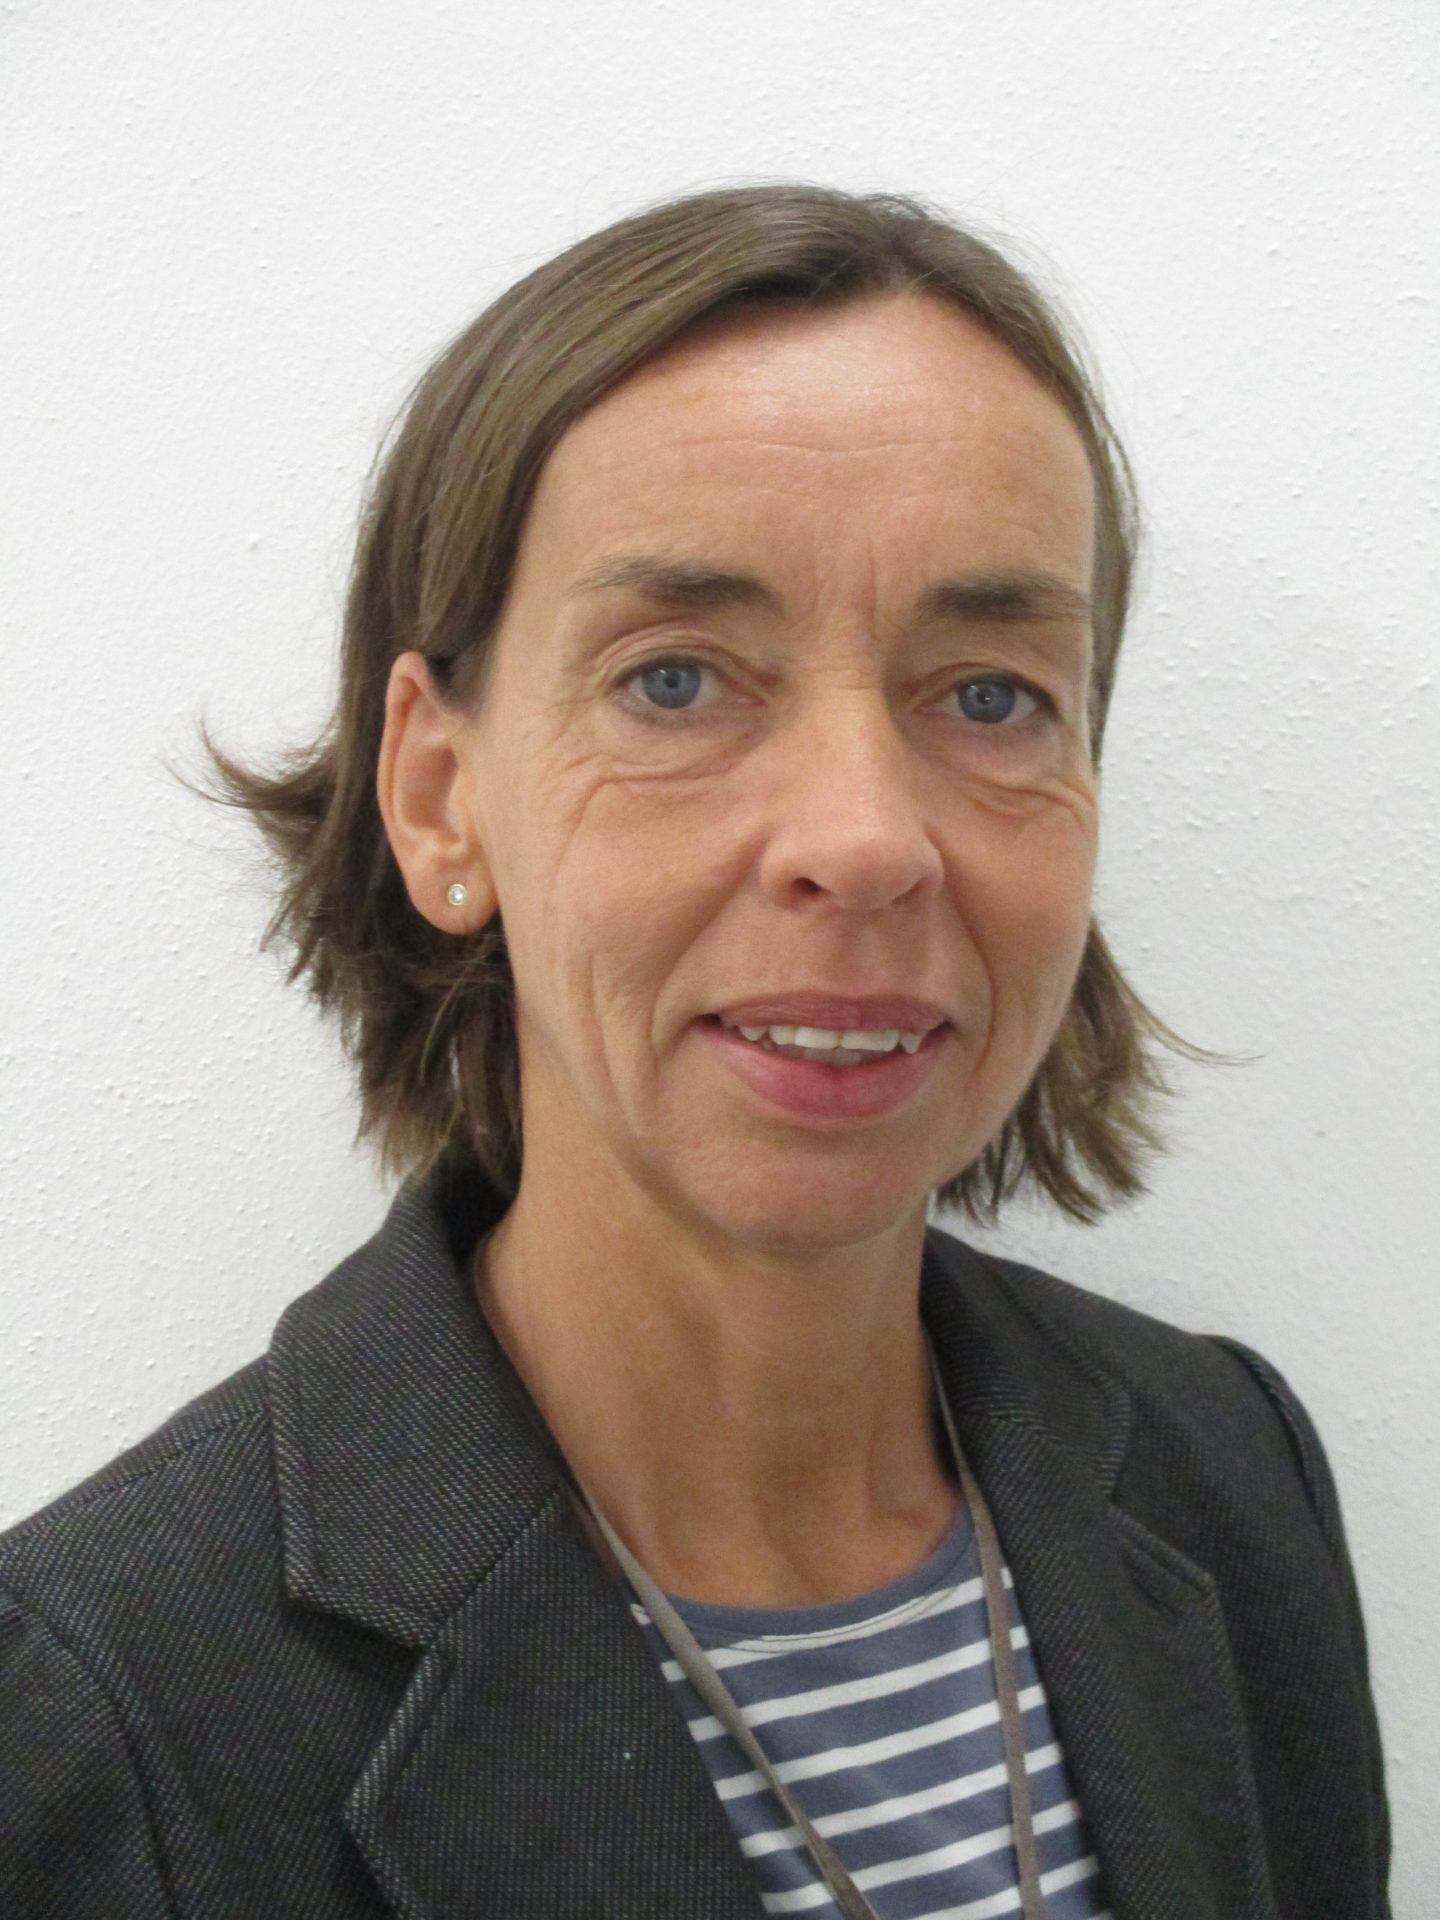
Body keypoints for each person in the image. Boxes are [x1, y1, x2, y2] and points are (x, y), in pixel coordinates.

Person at [0, 185, 1389, 1920]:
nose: (865, 840)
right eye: (675, 682)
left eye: (989, 695)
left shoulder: (1227, 1470)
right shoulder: (107, 1707)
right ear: (438, 795)